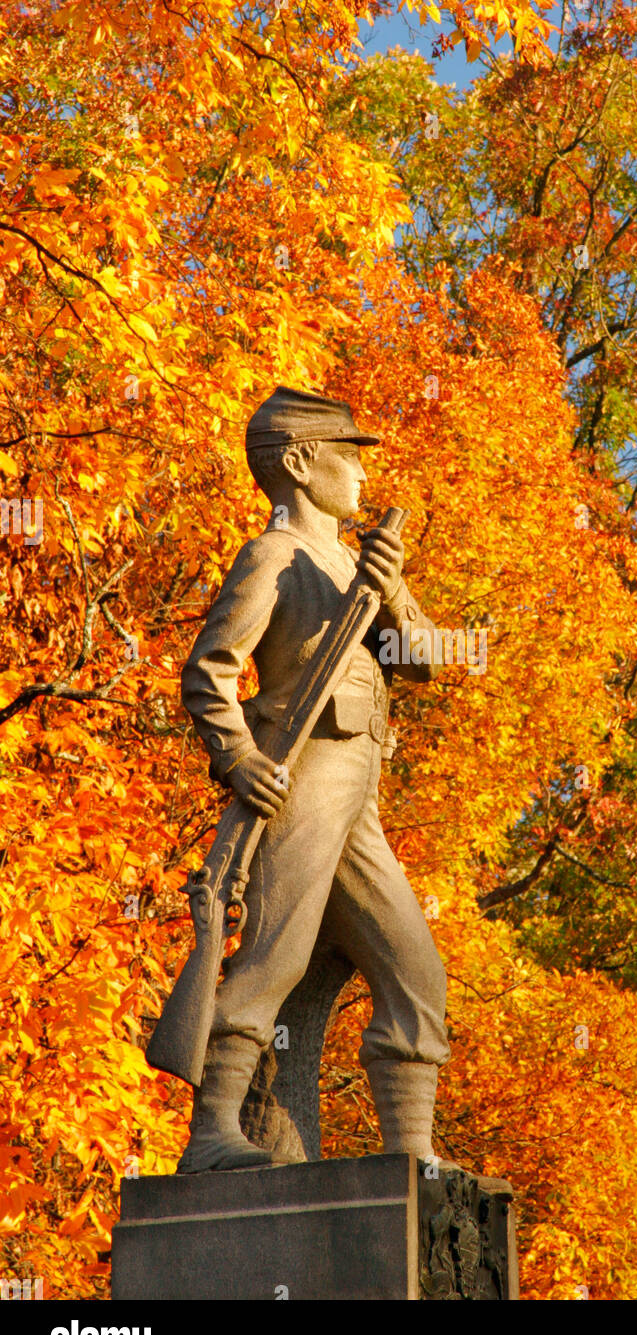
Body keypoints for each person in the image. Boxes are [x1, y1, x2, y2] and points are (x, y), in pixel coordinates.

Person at [175, 386, 450, 1173]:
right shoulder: (274, 556)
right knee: (274, 957)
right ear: (301, 461)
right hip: (302, 779)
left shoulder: (361, 560)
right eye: (348, 455)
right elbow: (209, 672)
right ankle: (211, 1135)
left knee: (415, 968)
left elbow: (426, 659)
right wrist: (238, 758)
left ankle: (413, 1158)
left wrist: (392, 588)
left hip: (360, 790)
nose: (362, 476)